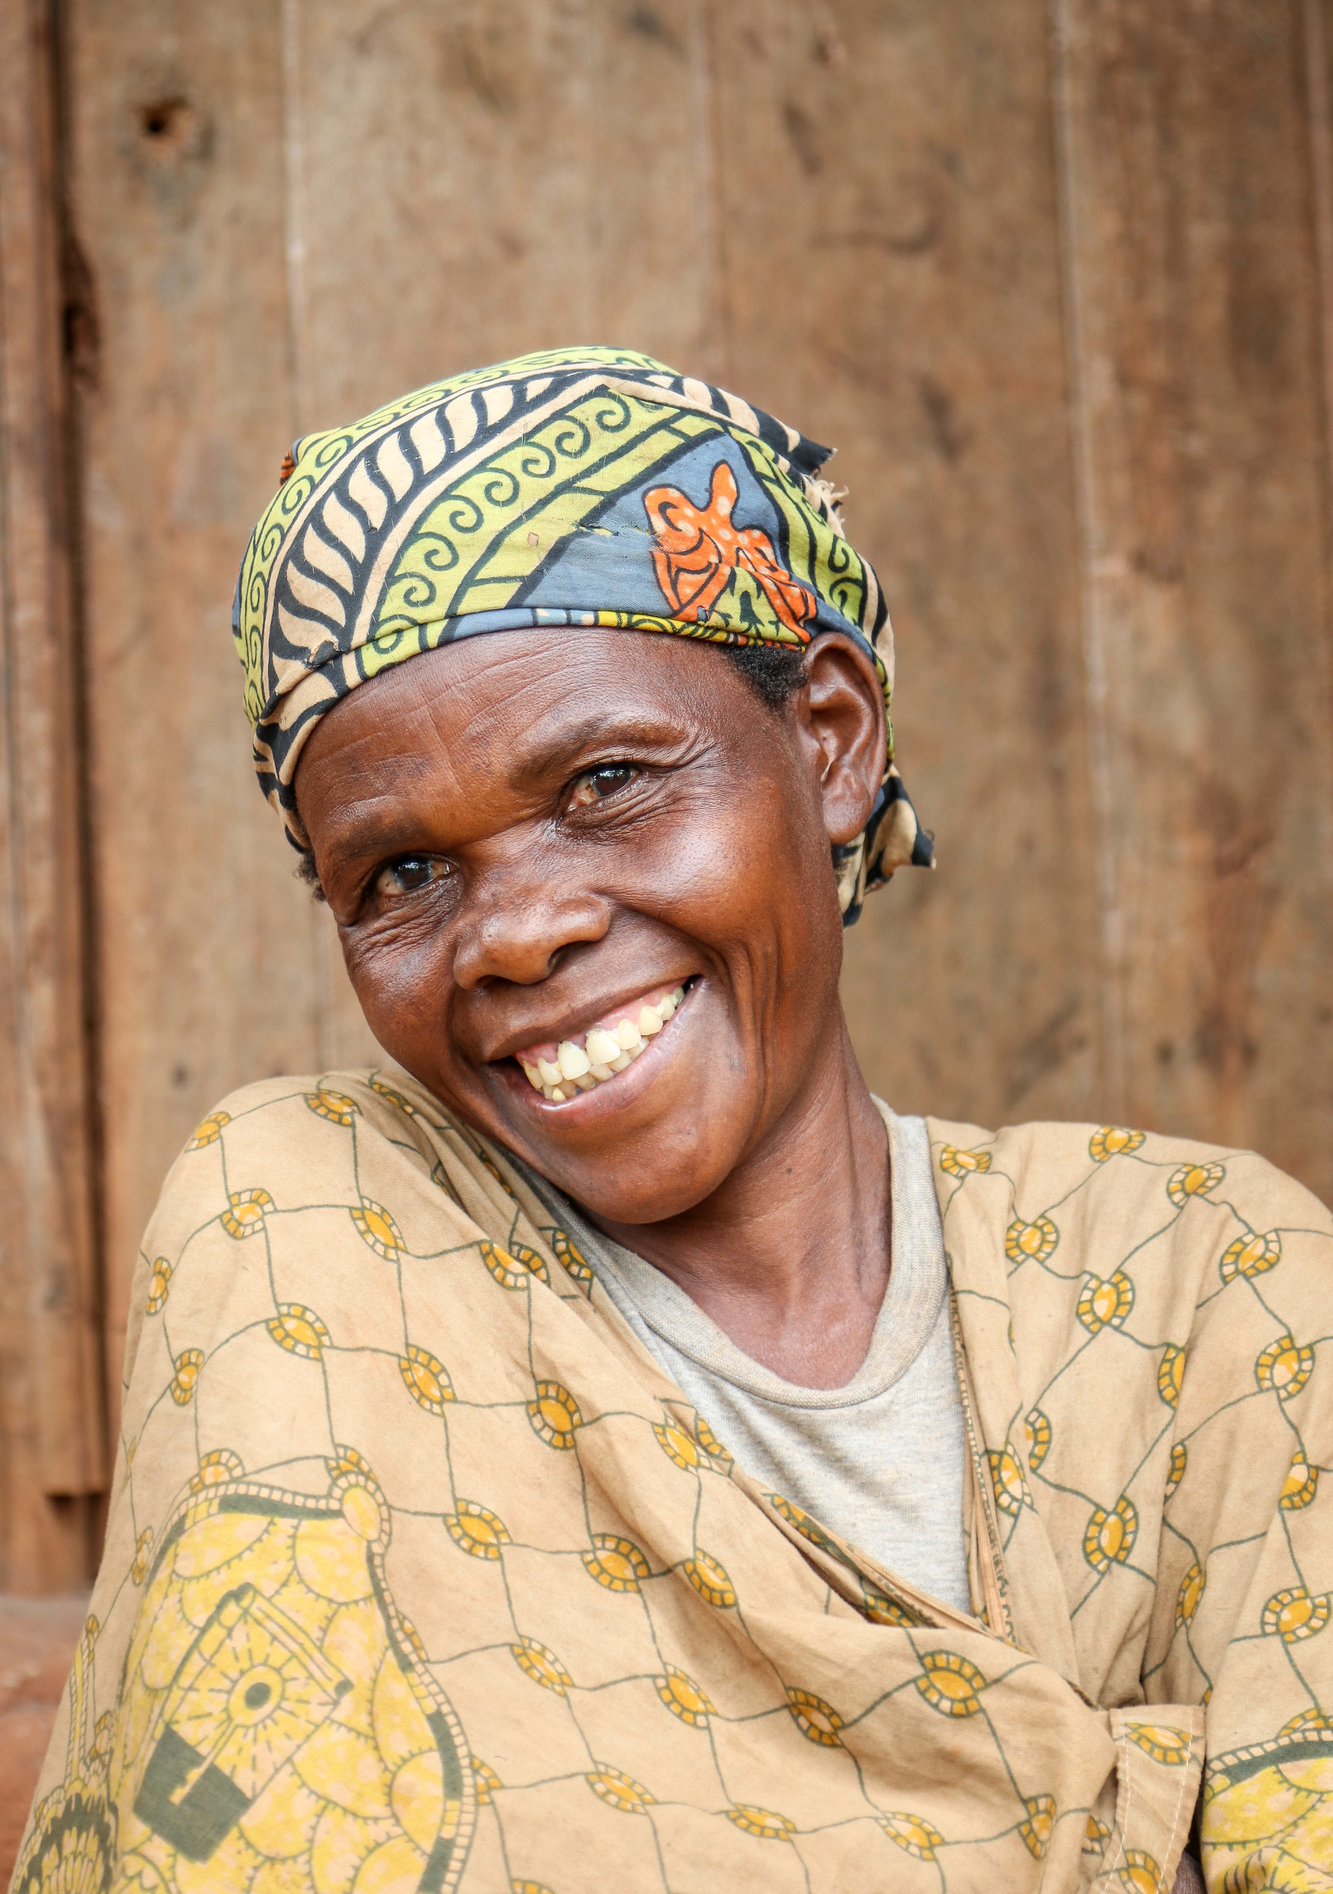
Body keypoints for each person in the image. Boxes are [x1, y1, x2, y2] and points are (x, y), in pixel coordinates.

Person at [14, 347, 1332, 1894]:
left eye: (608, 781)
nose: (511, 936)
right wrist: (1133, 1811)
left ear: (830, 740)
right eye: (402, 878)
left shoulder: (1199, 1279)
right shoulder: (319, 1233)